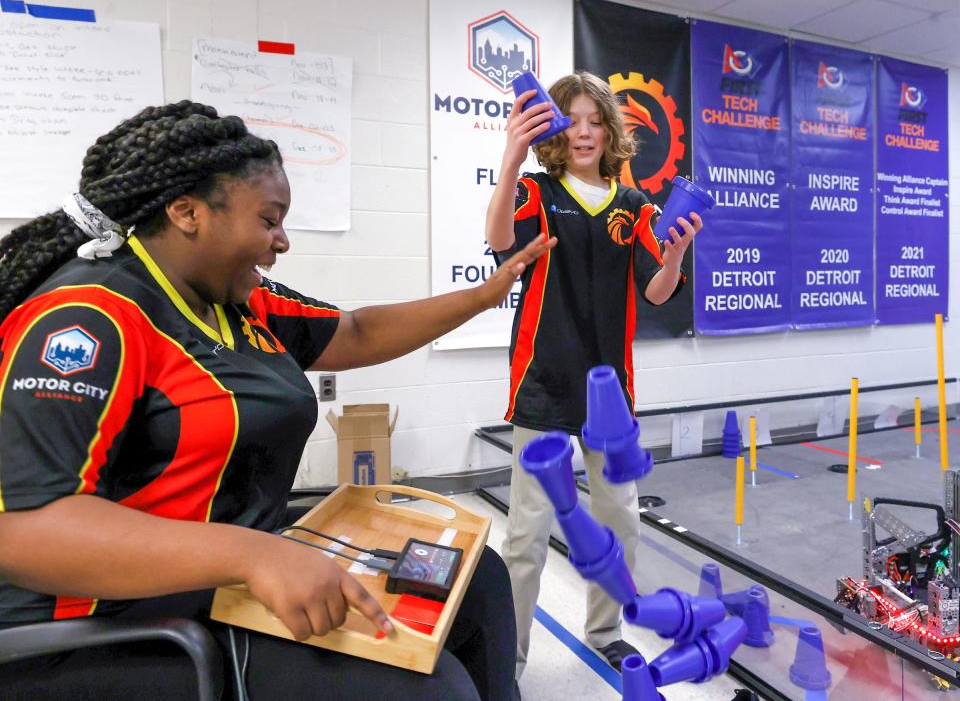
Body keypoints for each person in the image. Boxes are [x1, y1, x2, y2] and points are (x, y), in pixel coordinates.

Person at [0, 100, 556, 700]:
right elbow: (26, 530)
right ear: (187, 213)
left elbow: (356, 331)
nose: (282, 240)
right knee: (428, 689)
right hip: (106, 623)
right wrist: (251, 555)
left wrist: (486, 296)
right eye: (269, 220)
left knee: (476, 581)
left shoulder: (233, 299)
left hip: (218, 572)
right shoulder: (86, 318)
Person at [484, 72, 703, 678]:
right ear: (555, 128)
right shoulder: (535, 190)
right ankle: (512, 652)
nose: (583, 131)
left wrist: (678, 252)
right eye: (572, 119)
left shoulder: (634, 207)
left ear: (610, 130)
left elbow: (658, 292)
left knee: (620, 520)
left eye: (594, 120)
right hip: (544, 384)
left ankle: (605, 628)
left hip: (609, 395)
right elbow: (499, 238)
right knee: (526, 533)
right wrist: (509, 158)